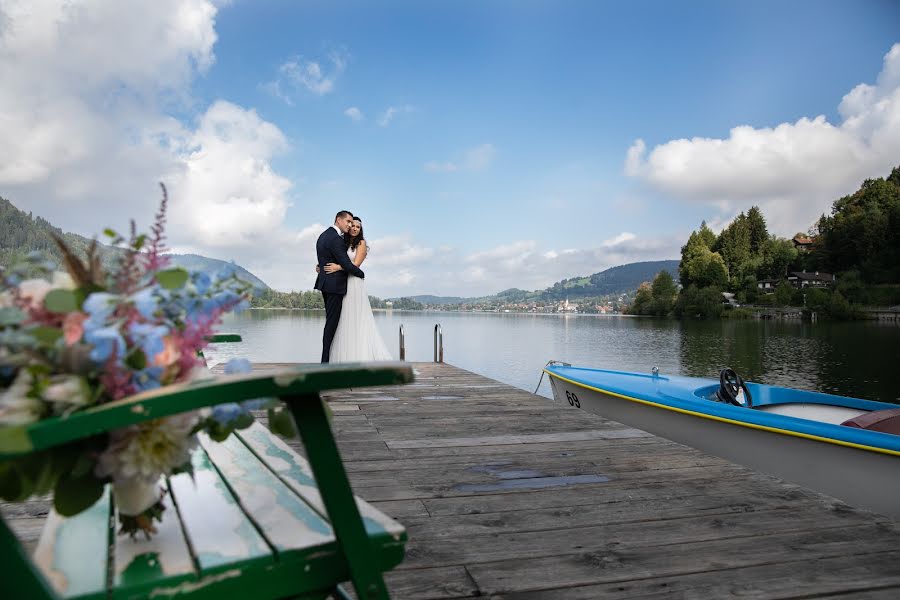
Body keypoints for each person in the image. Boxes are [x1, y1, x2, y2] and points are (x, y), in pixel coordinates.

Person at [322, 216, 393, 361]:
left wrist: (337, 267)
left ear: (361, 229)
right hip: (341, 283)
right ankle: (343, 356)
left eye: (357, 227)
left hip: (354, 282)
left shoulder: (361, 243)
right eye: (352, 225)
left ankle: (359, 355)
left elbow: (355, 265)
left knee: (356, 319)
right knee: (343, 319)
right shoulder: (342, 242)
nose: (354, 228)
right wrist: (322, 266)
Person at [314, 211, 365, 362]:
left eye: (353, 224)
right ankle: (325, 363)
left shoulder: (323, 235)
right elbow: (347, 264)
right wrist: (361, 274)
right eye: (348, 222)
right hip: (334, 285)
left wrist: (321, 267)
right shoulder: (336, 239)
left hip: (327, 283)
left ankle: (331, 359)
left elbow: (327, 258)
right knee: (332, 324)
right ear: (338, 220)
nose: (350, 225)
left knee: (332, 322)